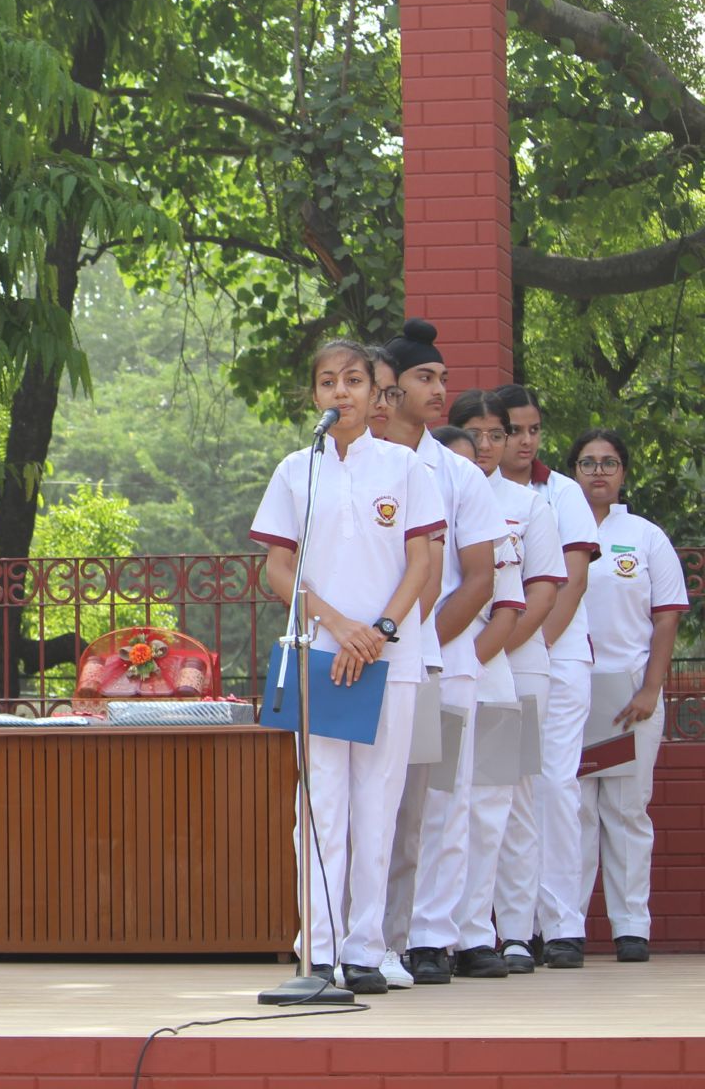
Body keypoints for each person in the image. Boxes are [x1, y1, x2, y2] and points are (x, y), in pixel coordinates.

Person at [247, 340, 439, 995]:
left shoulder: (405, 467)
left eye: (354, 380)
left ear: (375, 393)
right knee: (322, 805)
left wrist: (379, 631)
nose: (341, 392)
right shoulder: (296, 469)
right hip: (321, 655)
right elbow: (278, 567)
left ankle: (365, 949)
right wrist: (337, 624)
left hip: (390, 656)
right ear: (314, 395)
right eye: (328, 381)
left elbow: (422, 561)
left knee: (378, 805)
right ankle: (320, 949)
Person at [374, 322, 504, 985]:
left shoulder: (458, 474)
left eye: (442, 379)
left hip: (445, 661)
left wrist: (417, 640)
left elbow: (478, 579)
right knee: (379, 802)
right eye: (425, 378)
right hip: (367, 662)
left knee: (444, 803)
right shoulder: (358, 466)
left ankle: (431, 936)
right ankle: (374, 937)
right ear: (390, 389)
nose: (440, 390)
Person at [445, 392, 562, 978]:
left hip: (513, 665)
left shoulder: (527, 504)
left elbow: (539, 593)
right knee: (445, 800)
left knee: (509, 800)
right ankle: (445, 932)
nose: (487, 445)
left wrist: (485, 653)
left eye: (498, 434)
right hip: (454, 667)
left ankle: (512, 931)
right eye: (476, 434)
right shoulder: (433, 495)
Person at [569, 428, 689, 963]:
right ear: (573, 471)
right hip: (571, 691)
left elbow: (666, 617)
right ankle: (564, 927)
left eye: (609, 462)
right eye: (588, 462)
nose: (598, 471)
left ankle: (631, 927)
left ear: (623, 472)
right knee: (572, 811)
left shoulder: (645, 536)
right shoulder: (557, 527)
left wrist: (650, 689)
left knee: (625, 811)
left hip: (630, 695)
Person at [493, 384, 601, 970]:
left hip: (556, 657)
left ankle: (561, 924)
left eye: (534, 429)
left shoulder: (562, 492)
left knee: (556, 784)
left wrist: (531, 647)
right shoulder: (475, 488)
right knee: (505, 786)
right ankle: (515, 925)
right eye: (515, 429)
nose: (525, 440)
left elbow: (571, 582)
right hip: (499, 656)